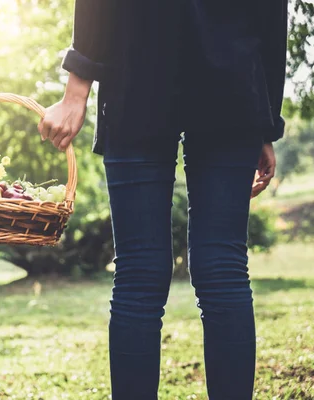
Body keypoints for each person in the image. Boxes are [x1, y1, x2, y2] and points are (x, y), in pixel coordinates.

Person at [38, 0, 287, 398]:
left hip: (136, 78)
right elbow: (272, 16)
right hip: (232, 85)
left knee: (140, 273)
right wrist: (266, 121)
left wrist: (76, 91)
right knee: (222, 269)